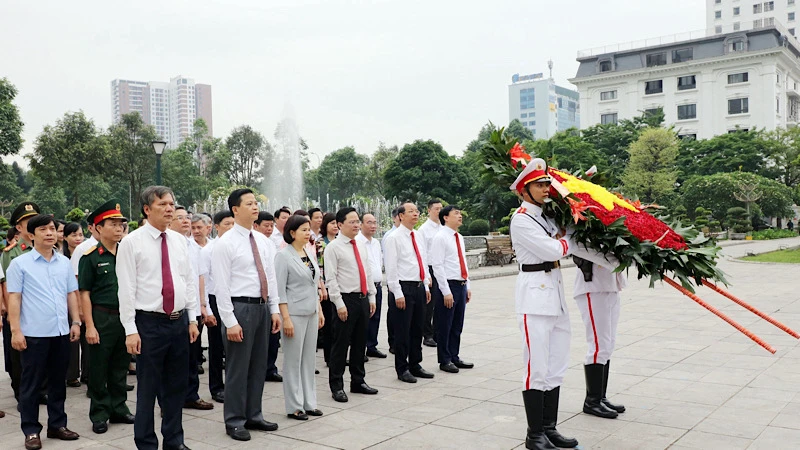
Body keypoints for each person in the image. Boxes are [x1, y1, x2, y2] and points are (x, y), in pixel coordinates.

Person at [509, 158, 617, 450]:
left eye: (547, 184)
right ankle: (534, 435)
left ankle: (549, 428)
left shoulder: (546, 217)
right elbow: (553, 248)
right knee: (536, 367)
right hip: (534, 298)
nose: (546, 189)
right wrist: (567, 238)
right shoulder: (521, 219)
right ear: (524, 189)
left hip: (554, 296)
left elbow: (571, 241)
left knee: (556, 365)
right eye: (540, 185)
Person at [117, 186, 199, 450]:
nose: (169, 209)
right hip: (149, 323)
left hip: (178, 323)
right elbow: (126, 289)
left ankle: (174, 441)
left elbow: (187, 281)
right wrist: (130, 329)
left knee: (176, 387)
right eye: (162, 204)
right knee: (148, 389)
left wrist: (193, 318)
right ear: (147, 209)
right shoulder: (132, 242)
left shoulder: (178, 241)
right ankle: (146, 443)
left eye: (171, 204)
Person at [7, 214, 82, 450]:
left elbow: (71, 293)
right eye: (43, 229)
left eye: (52, 229)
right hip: (34, 334)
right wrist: (16, 331)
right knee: (31, 385)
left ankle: (57, 424)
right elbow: (14, 299)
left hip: (61, 332)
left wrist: (76, 321)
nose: (50, 233)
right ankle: (30, 430)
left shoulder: (63, 263)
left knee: (58, 382)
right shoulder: (20, 264)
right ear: (31, 235)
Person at [212, 189, 280, 442]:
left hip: (261, 307)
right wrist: (230, 321)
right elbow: (221, 286)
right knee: (238, 368)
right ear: (235, 209)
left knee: (258, 364)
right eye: (249, 203)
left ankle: (254, 414)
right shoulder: (225, 243)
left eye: (256, 203)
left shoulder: (263, 241)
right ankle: (235, 420)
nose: (254, 207)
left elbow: (270, 278)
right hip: (239, 308)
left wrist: (273, 309)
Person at [78, 200, 136, 434]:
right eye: (113, 224)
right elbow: (85, 293)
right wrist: (89, 326)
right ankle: (100, 413)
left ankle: (119, 408)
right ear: (99, 228)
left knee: (120, 366)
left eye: (121, 223)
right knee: (99, 367)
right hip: (102, 317)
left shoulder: (127, 253)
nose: (119, 228)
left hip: (125, 318)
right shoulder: (90, 256)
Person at [325, 207, 378, 402]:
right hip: (345, 300)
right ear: (340, 225)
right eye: (352, 222)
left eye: (358, 221)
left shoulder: (361, 245)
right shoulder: (333, 247)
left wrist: (371, 296)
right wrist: (338, 303)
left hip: (362, 298)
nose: (356, 225)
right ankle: (336, 385)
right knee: (340, 344)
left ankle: (358, 380)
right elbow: (330, 279)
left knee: (359, 343)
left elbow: (368, 272)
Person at [275, 215, 324, 419]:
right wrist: (285, 318)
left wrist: (319, 310)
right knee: (293, 361)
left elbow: (313, 285)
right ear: (292, 232)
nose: (308, 233)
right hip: (293, 314)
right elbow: (280, 291)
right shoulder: (283, 256)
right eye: (304, 229)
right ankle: (294, 406)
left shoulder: (308, 252)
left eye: (308, 229)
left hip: (311, 312)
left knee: (308, 360)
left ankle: (309, 402)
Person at [383, 202, 434, 384]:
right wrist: (397, 293)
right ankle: (402, 368)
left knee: (417, 328)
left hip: (419, 286)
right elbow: (391, 267)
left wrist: (426, 285)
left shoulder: (418, 235)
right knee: (402, 331)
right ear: (401, 216)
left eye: (417, 211)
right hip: (403, 288)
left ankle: (415, 364)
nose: (415, 214)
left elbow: (423, 260)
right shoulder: (393, 238)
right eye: (411, 211)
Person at [170, 208, 214, 412]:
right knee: (171, 358)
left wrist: (203, 305)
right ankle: (168, 401)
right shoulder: (166, 244)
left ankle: (191, 395)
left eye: (187, 217)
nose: (186, 221)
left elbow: (200, 277)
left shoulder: (194, 247)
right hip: (172, 310)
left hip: (193, 308)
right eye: (180, 218)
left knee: (192, 355)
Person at [573, 255, 627, 420]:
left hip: (611, 285)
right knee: (598, 345)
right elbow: (582, 249)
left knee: (608, 345)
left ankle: (600, 396)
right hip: (593, 287)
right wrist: (617, 259)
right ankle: (592, 401)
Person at [2, 201, 41, 405]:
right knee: (19, 359)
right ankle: (21, 394)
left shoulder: (46, 250)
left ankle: (39, 391)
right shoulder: (12, 253)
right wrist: (11, 316)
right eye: (28, 222)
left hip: (40, 313)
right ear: (18, 227)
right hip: (20, 312)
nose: (33, 224)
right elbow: (9, 288)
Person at [430, 205, 474, 374]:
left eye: (460, 213)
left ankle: (454, 356)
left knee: (457, 324)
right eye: (456, 213)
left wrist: (467, 284)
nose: (460, 216)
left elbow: (462, 261)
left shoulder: (459, 237)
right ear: (445, 217)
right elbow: (438, 266)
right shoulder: (440, 237)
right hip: (448, 285)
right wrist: (446, 291)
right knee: (445, 324)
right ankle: (444, 359)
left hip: (461, 285)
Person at [199, 210, 234, 404]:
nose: (230, 227)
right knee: (216, 346)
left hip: (233, 299)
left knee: (234, 347)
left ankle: (233, 384)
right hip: (214, 300)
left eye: (233, 224)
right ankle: (216, 387)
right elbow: (204, 281)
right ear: (216, 226)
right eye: (226, 224)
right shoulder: (208, 250)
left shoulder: (236, 247)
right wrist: (208, 310)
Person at [356, 213, 386, 359]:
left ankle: (371, 345)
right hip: (363, 287)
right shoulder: (357, 241)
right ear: (361, 224)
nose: (373, 226)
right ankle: (360, 348)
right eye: (369, 222)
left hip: (377, 285)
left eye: (375, 222)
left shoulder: (376, 242)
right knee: (363, 319)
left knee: (376, 316)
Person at [418, 199, 443, 348]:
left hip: (442, 268)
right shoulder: (424, 230)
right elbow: (422, 254)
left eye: (441, 208)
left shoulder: (443, 228)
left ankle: (437, 331)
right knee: (429, 304)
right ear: (429, 210)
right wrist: (427, 274)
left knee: (441, 302)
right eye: (436, 209)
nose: (439, 211)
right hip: (430, 268)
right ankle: (427, 334)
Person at [317, 212, 338, 365]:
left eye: (337, 223)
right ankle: (329, 357)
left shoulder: (340, 242)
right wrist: (322, 287)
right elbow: (319, 267)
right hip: (326, 288)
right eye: (332, 223)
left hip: (339, 287)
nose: (335, 226)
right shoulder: (320, 243)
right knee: (329, 324)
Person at [382, 208, 401, 354]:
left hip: (410, 282)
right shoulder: (390, 236)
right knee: (394, 312)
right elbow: (389, 263)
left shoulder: (413, 235)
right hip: (396, 282)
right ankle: (393, 342)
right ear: (396, 217)